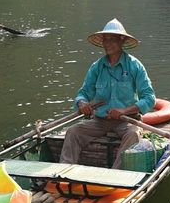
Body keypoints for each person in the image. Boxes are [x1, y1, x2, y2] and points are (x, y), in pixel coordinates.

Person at [60, 18, 156, 169]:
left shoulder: (134, 66)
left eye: (112, 39)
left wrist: (124, 111)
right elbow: (83, 93)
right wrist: (82, 103)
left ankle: (116, 176)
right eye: (105, 40)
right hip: (100, 120)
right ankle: (63, 173)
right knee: (73, 132)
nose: (107, 44)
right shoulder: (97, 67)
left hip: (127, 120)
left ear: (121, 40)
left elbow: (149, 98)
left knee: (133, 135)